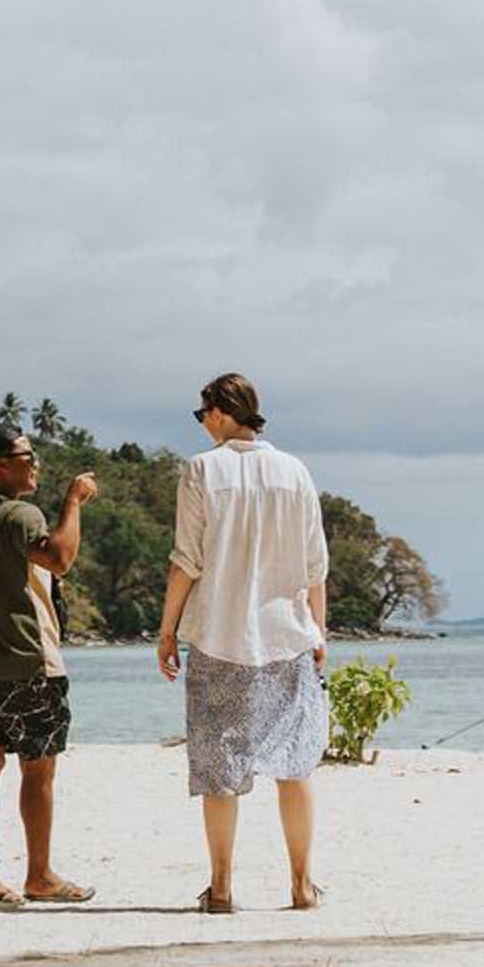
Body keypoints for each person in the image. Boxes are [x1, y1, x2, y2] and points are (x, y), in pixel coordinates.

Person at [156, 372, 331, 913]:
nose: (202, 421)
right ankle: (302, 885)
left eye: (202, 411)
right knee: (295, 764)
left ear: (220, 410)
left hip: (218, 635)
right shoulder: (294, 471)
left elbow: (188, 560)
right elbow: (314, 566)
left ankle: (223, 886)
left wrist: (167, 630)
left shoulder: (202, 470)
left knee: (219, 766)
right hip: (286, 635)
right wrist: (320, 632)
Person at [0, 423, 97, 906]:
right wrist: (73, 501)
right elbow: (60, 558)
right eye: (25, 456)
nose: (35, 463)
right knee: (39, 770)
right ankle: (38, 874)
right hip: (29, 661)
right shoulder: (20, 514)